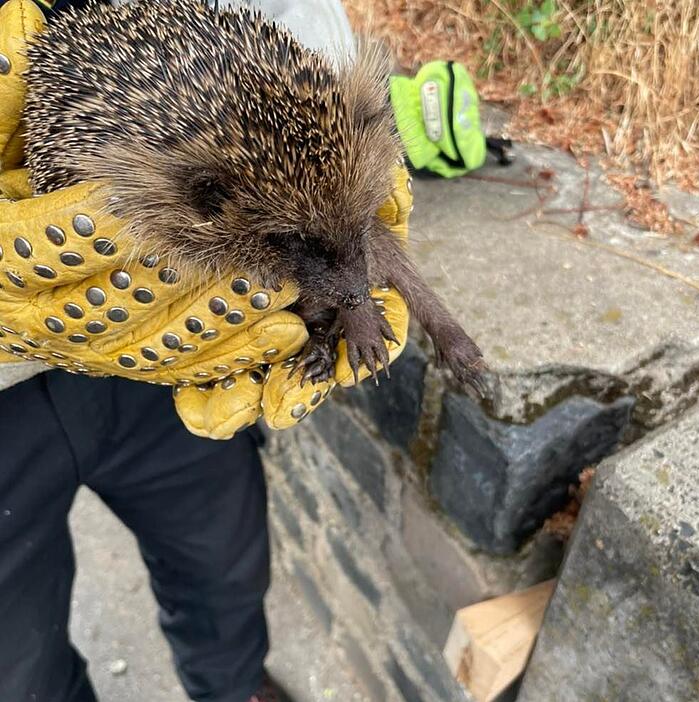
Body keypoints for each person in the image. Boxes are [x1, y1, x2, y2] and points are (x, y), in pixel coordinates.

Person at [0, 0, 413, 700]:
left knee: (225, 569)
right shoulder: (183, 192)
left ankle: (236, 687)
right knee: (17, 664)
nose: (352, 287)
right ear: (207, 203)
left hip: (188, 362)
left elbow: (282, 37)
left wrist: (352, 171)